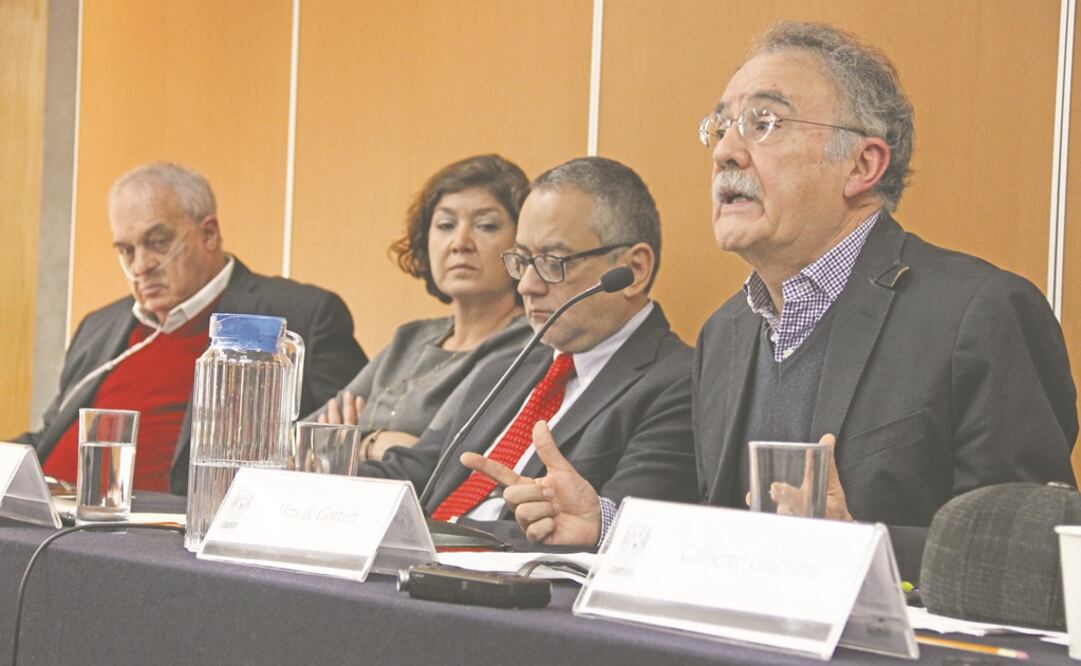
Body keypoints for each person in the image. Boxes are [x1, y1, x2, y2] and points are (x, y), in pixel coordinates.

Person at [468, 21, 1077, 545]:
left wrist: (864, 550)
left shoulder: (978, 313)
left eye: (764, 123)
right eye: (721, 126)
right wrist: (604, 524)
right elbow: (722, 534)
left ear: (862, 165)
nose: (726, 152)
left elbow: (1025, 557)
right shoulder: (726, 333)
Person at [359, 157, 698, 525]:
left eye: (553, 262)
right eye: (522, 260)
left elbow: (622, 535)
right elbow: (416, 471)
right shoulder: (506, 368)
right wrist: (312, 482)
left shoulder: (680, 384)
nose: (527, 286)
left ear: (633, 272)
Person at [11, 162, 367, 495]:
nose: (140, 267)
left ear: (208, 234)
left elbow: (341, 440)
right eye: (126, 250)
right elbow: (49, 436)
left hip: (172, 534)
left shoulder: (301, 314)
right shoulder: (100, 326)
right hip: (50, 519)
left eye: (157, 242)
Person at [311, 155, 533, 462]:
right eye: (445, 225)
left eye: (486, 225)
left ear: (522, 247)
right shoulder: (410, 339)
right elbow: (308, 438)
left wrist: (353, 442)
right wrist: (372, 444)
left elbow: (444, 462)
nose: (460, 243)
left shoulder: (529, 345)